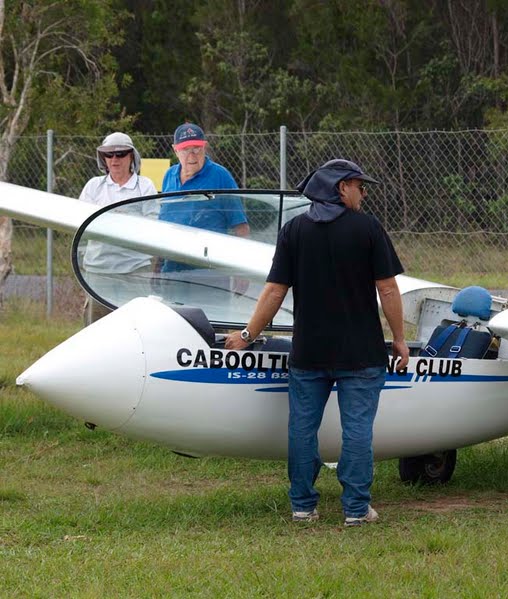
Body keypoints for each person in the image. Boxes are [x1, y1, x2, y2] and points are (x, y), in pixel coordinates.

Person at [225, 159, 409, 527]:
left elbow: (274, 290)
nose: (363, 193)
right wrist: (400, 340)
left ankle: (303, 506)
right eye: (359, 186)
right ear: (341, 189)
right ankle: (356, 509)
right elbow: (388, 289)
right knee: (357, 430)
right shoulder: (368, 228)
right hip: (361, 352)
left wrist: (247, 336)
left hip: (309, 352)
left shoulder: (294, 230)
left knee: (301, 429)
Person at [157, 122, 250, 296]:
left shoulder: (221, 176)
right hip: (173, 267)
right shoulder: (169, 176)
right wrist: (157, 265)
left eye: (196, 148)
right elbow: (163, 222)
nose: (192, 155)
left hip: (209, 269)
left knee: (210, 313)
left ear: (204, 147)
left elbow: (241, 226)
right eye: (185, 149)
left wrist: (242, 270)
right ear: (175, 150)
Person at [78, 132, 158, 325]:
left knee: (137, 326)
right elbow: (81, 222)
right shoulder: (93, 186)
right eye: (109, 154)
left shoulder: (145, 186)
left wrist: (107, 221)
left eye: (121, 154)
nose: (115, 159)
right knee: (95, 327)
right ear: (103, 158)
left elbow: (153, 226)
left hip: (135, 270)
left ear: (132, 156)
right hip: (98, 270)